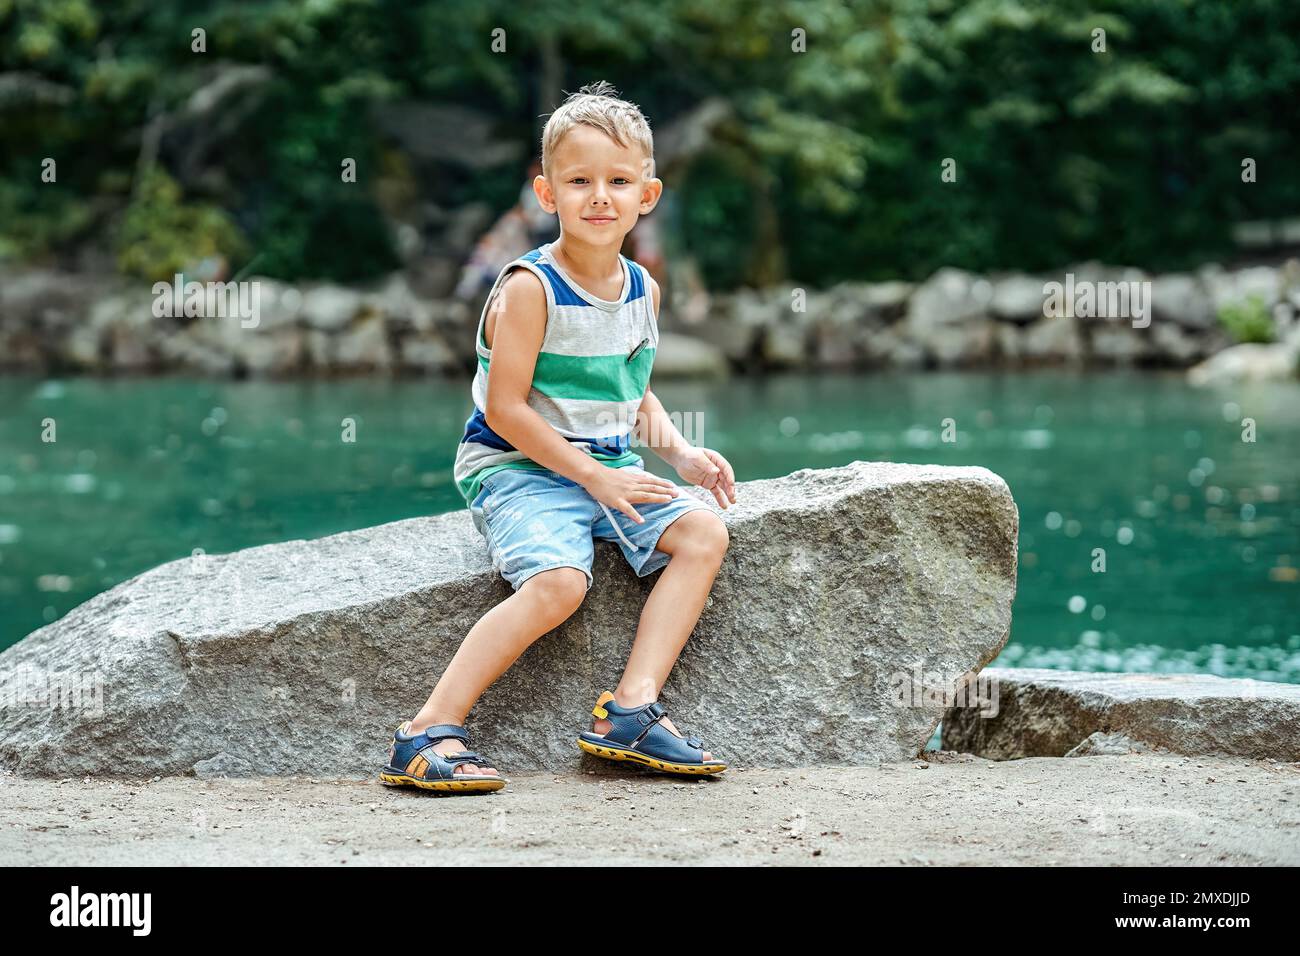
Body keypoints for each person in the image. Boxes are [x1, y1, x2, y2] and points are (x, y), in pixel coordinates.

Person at [380, 81, 737, 793]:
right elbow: (508, 411)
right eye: (579, 181)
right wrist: (597, 479)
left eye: (618, 180)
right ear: (547, 194)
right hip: (519, 468)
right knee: (560, 584)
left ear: (648, 194)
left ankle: (630, 710)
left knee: (704, 534)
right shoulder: (529, 290)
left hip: (605, 463)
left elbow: (629, 394)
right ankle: (425, 732)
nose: (599, 196)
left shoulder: (642, 289)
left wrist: (683, 454)